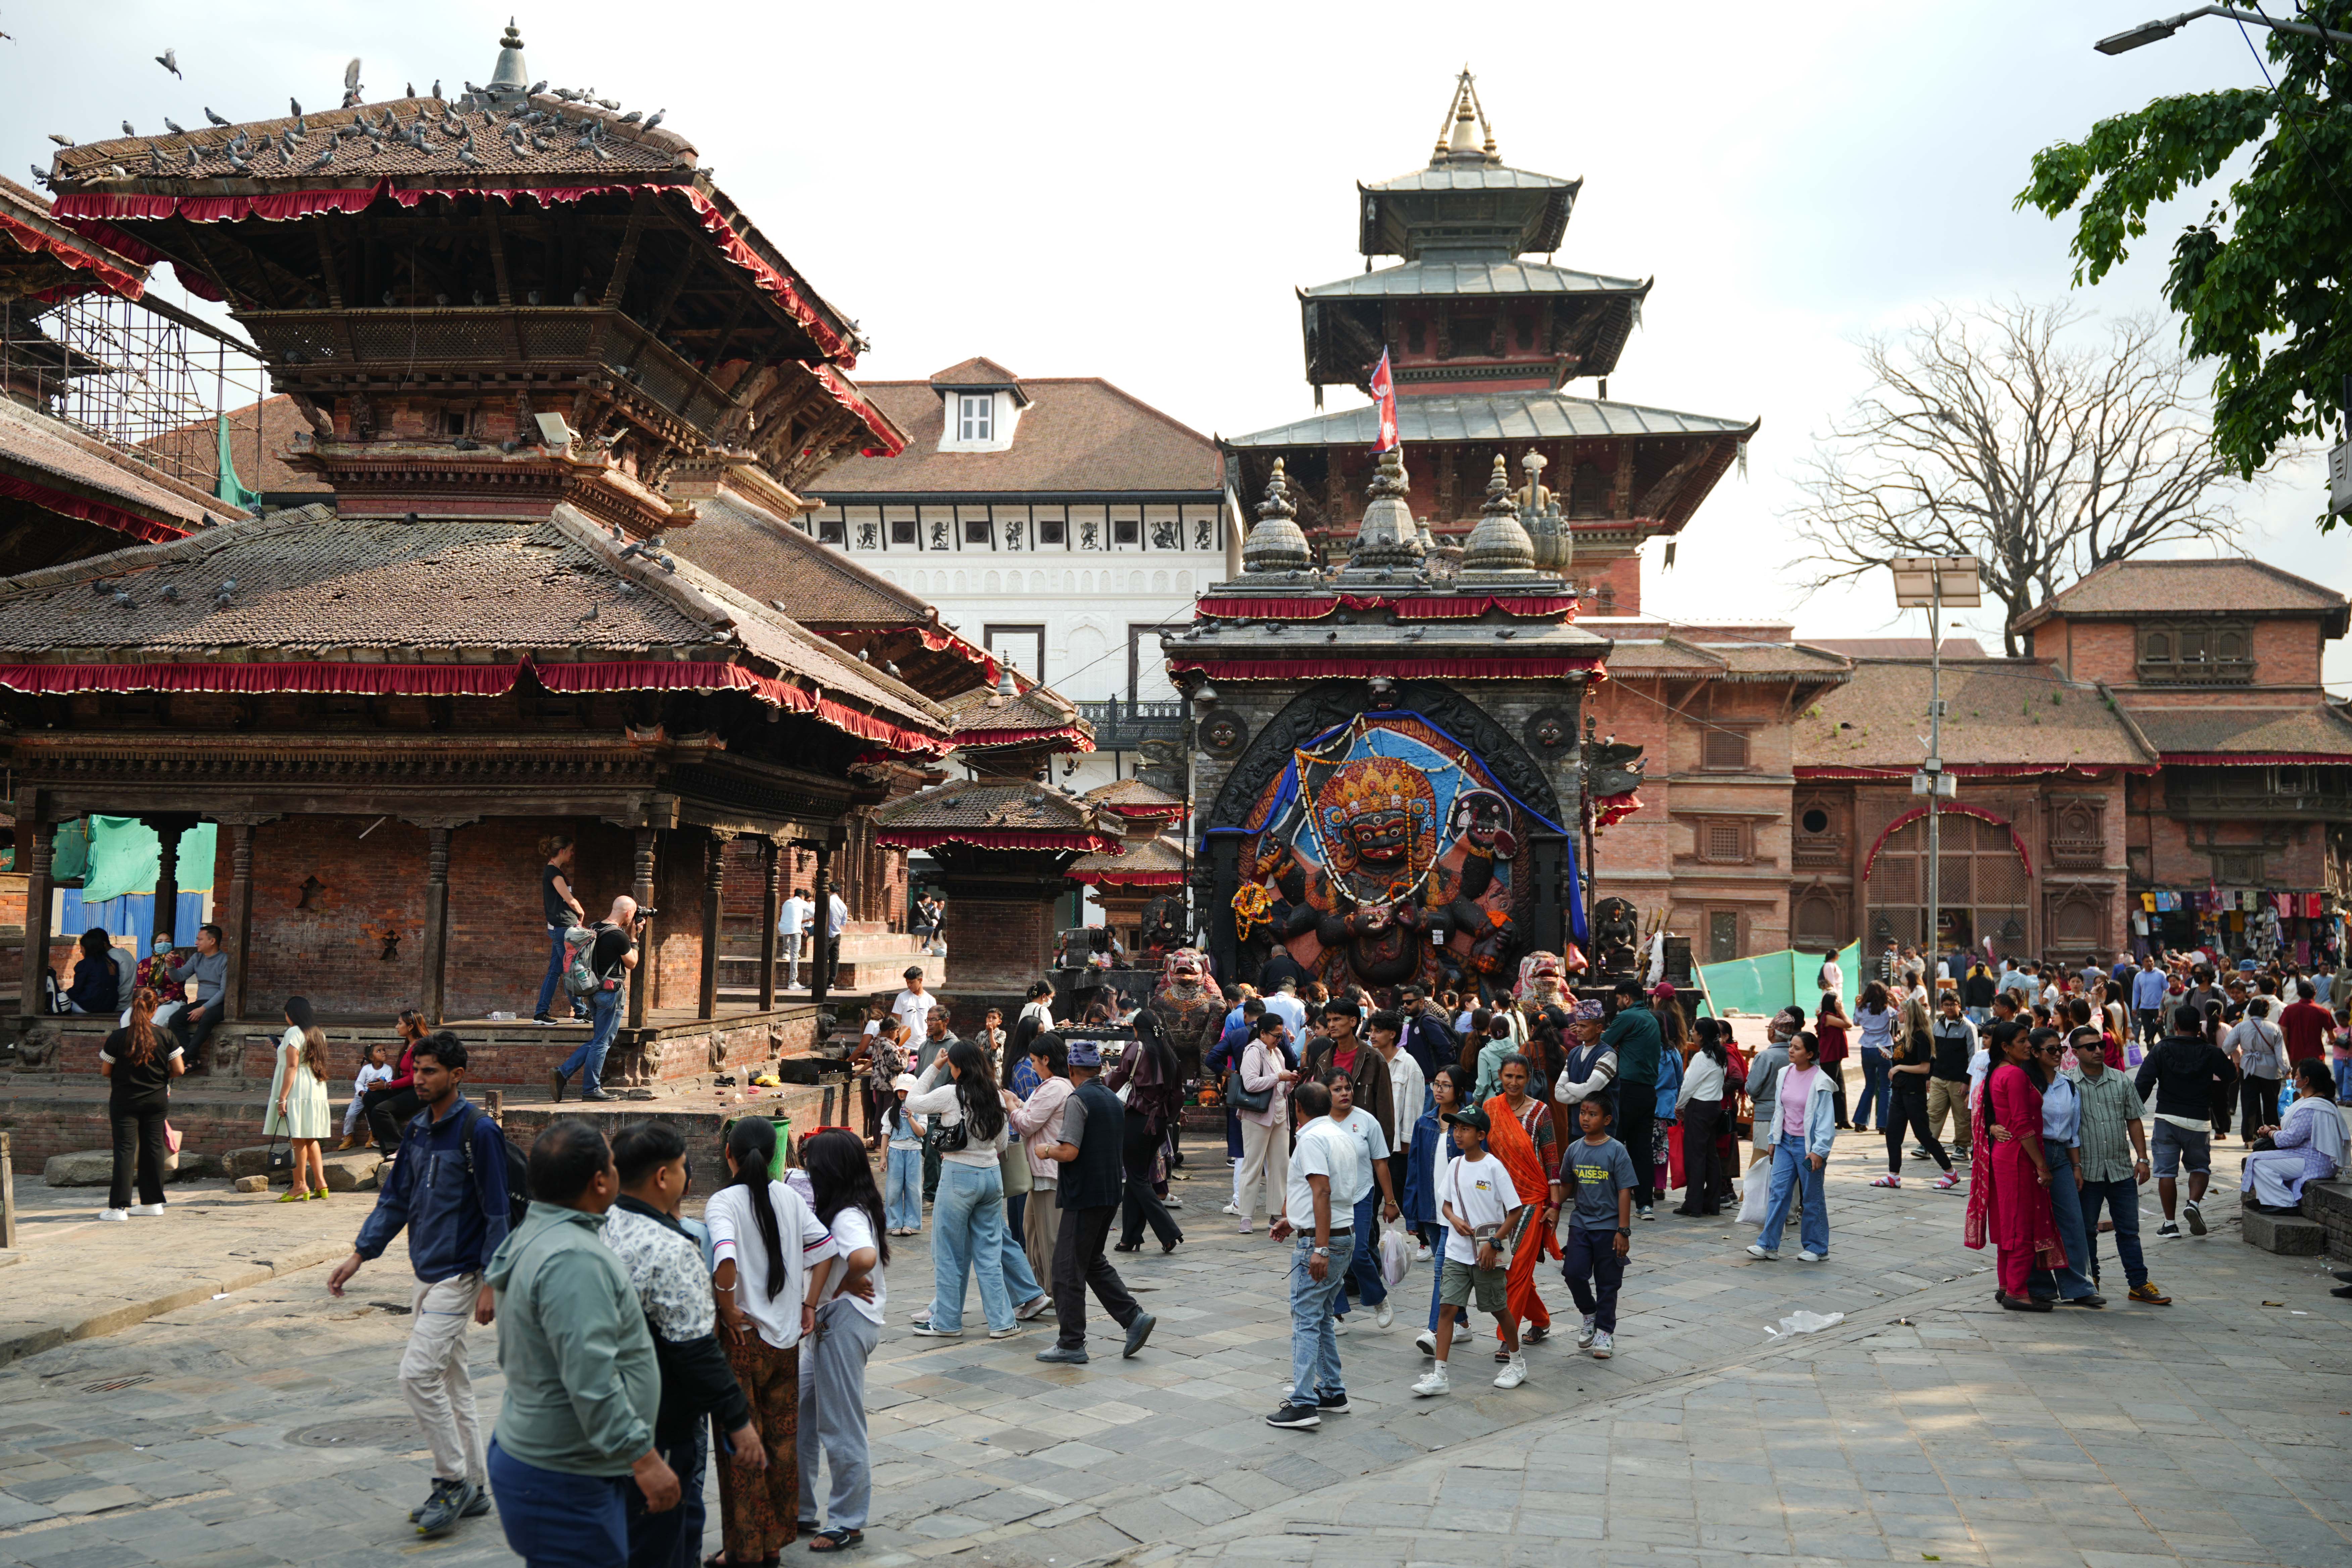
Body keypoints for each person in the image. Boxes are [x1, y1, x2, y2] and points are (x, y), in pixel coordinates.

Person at [330, 1032, 511, 1539]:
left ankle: (450, 1479)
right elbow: (394, 1201)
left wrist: (492, 1282)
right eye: (420, 1070)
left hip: (461, 1275)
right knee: (453, 1384)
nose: (422, 1079)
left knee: (416, 1376)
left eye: (431, 1071)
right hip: (425, 1273)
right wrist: (360, 1254)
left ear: (457, 1076)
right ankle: (473, 1484)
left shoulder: (479, 1132)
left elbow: (498, 1211)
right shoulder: (416, 1132)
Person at [484, 1120, 676, 1566]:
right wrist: (643, 1459)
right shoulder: (572, 1258)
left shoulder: (538, 1232)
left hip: (554, 1466)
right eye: (612, 1163)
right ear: (601, 1181)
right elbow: (591, 1377)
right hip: (562, 1477)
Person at [604, 1120, 762, 1568]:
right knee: (664, 1540)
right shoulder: (671, 1248)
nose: (685, 1177)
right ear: (662, 1178)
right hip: (658, 1421)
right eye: (681, 1168)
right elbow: (693, 1347)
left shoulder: (599, 1225)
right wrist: (737, 1418)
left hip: (603, 1416)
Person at [707, 1116, 838, 1564]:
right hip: (784, 1342)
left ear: (730, 1155)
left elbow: (725, 1257)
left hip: (742, 1343)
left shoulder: (723, 1202)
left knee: (739, 1446)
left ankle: (745, 1548)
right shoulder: (788, 1195)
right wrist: (809, 1304)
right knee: (781, 1445)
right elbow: (825, 1251)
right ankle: (774, 1542)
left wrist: (726, 1307)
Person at [1032, 1035, 1155, 1365]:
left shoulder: (1079, 1100)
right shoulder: (1113, 1100)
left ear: (1072, 1068)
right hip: (1110, 1192)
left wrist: (1045, 1150)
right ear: (1099, 1068)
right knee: (1091, 1261)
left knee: (1066, 1268)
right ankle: (1133, 1318)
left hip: (1084, 1194)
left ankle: (1071, 1341)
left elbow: (1069, 1151)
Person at [797, 1129, 889, 1551]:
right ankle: (799, 1506)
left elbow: (864, 1256)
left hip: (846, 1324)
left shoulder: (848, 1215)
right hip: (835, 1323)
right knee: (801, 1412)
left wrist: (852, 1281)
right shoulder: (848, 1206)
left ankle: (848, 1520)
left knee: (839, 1423)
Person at [906, 1039, 1034, 1337]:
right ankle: (1003, 1322)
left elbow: (912, 1101)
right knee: (990, 1254)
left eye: (950, 1064)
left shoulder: (952, 1094)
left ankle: (947, 1322)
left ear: (958, 1066)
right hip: (992, 1176)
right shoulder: (996, 1095)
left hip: (959, 1176)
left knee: (949, 1252)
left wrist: (934, 1066)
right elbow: (1003, 1144)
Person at [1411, 1105, 1525, 1396]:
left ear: (1481, 1134)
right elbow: (1447, 1204)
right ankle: (1440, 1375)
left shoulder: (1493, 1167)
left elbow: (1515, 1211)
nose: (1458, 1134)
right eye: (1456, 1128)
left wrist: (1494, 1243)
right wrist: (1453, 1220)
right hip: (1456, 1251)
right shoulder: (1455, 1165)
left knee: (1499, 1309)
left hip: (1487, 1253)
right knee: (1447, 1308)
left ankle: (1517, 1362)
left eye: (1465, 1129)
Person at [1266, 1080, 1360, 1430]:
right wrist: (1297, 1220)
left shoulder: (1311, 1139)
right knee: (1320, 1316)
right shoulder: (1340, 1136)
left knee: (1306, 1317)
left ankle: (1304, 1402)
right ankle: (1333, 1391)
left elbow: (1322, 1190)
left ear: (1298, 1109)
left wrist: (1318, 1245)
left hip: (1324, 1242)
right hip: (1342, 1234)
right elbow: (1326, 1195)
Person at [2062, 1029, 2170, 1306]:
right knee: (2087, 1231)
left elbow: (2134, 1120)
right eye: (2089, 1047)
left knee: (2129, 1231)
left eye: (2100, 1045)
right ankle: (2090, 1282)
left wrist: (2143, 1159)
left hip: (2121, 1169)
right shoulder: (2068, 1084)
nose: (2097, 1050)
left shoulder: (2121, 1080)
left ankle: (2138, 1284)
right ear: (2075, 1053)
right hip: (2087, 1170)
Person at [1967, 1024, 2065, 1312]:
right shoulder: (2014, 1075)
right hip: (2019, 1157)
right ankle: (2018, 1292)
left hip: (2005, 1154)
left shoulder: (1998, 1072)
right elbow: (2023, 1126)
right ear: (2006, 1047)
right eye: (2022, 1042)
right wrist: (2042, 1166)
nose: (2028, 1045)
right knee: (2021, 1226)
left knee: (2009, 1223)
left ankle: (2006, 1285)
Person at [1480, 1054, 1557, 1349]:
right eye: (1508, 1077)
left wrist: (1555, 1205)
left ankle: (1505, 1338)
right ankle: (1540, 1319)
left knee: (1517, 1269)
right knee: (1505, 1269)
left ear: (1529, 1079)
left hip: (1532, 1201)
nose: (1513, 1082)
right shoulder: (1490, 1108)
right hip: (1496, 1202)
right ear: (1500, 1076)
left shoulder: (1541, 1112)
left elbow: (1552, 1159)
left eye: (1520, 1077)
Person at [2021, 1030, 2102, 1307]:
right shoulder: (2026, 1083)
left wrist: (2076, 1165)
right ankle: (2039, 1286)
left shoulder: (2068, 1085)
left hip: (2061, 1155)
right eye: (2051, 1049)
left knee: (2073, 1221)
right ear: (2035, 1052)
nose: (2058, 1054)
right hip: (2032, 1152)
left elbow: (2073, 1131)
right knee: (2034, 1222)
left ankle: (2078, 1286)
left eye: (2061, 1049)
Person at [2134, 1017, 2234, 1238]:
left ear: (2175, 1027)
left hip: (2166, 1119)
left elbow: (2143, 1082)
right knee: (2200, 1167)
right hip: (2199, 1120)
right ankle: (2194, 1205)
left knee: (2166, 1172)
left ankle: (2170, 1225)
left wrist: (2132, 1111)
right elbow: (2231, 1075)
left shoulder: (2161, 1049)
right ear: (2199, 1028)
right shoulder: (2211, 1052)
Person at [1558, 1094, 1637, 1359]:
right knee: (1573, 1272)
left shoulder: (1617, 1150)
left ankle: (1605, 1332)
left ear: (1607, 1120)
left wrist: (1623, 1231)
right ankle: (1589, 1313)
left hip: (1609, 1227)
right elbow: (1567, 1184)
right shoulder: (1574, 1149)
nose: (1585, 1118)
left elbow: (1625, 1191)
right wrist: (1553, 1205)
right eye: (1582, 1113)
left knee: (1608, 1283)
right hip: (1581, 1223)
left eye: (1592, 1114)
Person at [1745, 1031, 1835, 1263]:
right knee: (1778, 1192)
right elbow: (1780, 1110)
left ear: (1811, 1054)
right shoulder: (1784, 1073)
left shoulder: (1821, 1081)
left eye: (1797, 1048)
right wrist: (1774, 1140)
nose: (1791, 1051)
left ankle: (1817, 1248)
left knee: (1812, 1197)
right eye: (1791, 1046)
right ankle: (1768, 1245)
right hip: (1785, 1143)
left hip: (1808, 1148)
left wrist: (1819, 1151)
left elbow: (1826, 1120)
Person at [97, 986, 184, 1222]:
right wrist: (159, 1078)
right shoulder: (166, 1036)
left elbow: (106, 1071)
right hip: (156, 1100)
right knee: (153, 1148)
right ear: (155, 1009)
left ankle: (118, 1209)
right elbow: (179, 1069)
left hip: (125, 1100)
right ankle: (152, 1203)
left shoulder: (118, 1037)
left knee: (125, 1150)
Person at [551, 896, 645, 1104]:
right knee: (602, 1043)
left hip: (592, 991)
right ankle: (591, 1089)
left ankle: (563, 1073)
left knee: (599, 1040)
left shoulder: (594, 927)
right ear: (629, 913)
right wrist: (635, 939)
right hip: (611, 993)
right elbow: (632, 963)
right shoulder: (619, 936)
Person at [1325, 1070, 1400, 1330]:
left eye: (1347, 1088)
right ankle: (1336, 1313)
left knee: (1358, 1254)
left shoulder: (1367, 1121)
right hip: (1329, 1200)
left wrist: (1390, 1202)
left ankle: (1378, 1298)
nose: (1344, 1093)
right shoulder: (1319, 1124)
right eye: (1337, 1089)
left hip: (1361, 1195)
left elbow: (1381, 1163)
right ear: (1327, 1094)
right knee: (1333, 1255)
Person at [1108, 1012, 1186, 1254]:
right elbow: (1178, 1094)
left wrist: (1102, 1081)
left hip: (1138, 1119)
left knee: (1138, 1179)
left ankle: (1169, 1232)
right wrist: (1169, 1118)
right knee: (1136, 1177)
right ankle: (1129, 1239)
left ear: (1136, 1029)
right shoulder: (1168, 1052)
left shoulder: (1136, 1048)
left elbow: (1118, 1078)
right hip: (1160, 1122)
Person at [1872, 993, 1959, 1191]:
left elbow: (1924, 1068)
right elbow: (1903, 1060)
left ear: (1908, 1014)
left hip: (1913, 1092)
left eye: (1901, 1012)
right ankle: (1893, 1175)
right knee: (1893, 1133)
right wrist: (1891, 1058)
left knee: (1923, 1135)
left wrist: (1899, 1068)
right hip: (1900, 1092)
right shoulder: (1906, 1036)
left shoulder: (1921, 1036)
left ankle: (1951, 1172)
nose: (1898, 1015)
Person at [2242, 1058, 2348, 1212]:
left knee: (2258, 1162)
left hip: (2316, 1162)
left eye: (2297, 1075)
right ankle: (2268, 1200)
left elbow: (2289, 1139)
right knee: (2259, 1159)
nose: (2294, 1079)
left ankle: (2285, 1203)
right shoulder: (2312, 1102)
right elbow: (2295, 1130)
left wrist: (2270, 1133)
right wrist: (2274, 1129)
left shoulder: (2312, 1108)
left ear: (2306, 1080)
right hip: (2309, 1157)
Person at [1006, 1033, 1073, 1276]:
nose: (1032, 1066)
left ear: (1046, 1059)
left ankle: (1055, 1290)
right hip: (1039, 1169)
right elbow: (1034, 1113)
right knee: (1033, 1232)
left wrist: (1012, 1107)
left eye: (1035, 1061)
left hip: (1048, 1168)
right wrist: (1018, 1103)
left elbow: (1027, 1125)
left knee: (1049, 1236)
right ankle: (1040, 1288)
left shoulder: (1055, 1086)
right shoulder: (1053, 1086)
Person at [1598, 979, 1663, 1220]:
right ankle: (1645, 1205)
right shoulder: (1652, 1020)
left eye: (1618, 1000)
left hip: (1626, 1089)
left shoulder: (1627, 1017)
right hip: (1648, 1092)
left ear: (1627, 998)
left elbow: (1601, 1044)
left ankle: (1608, 1200)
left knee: (1614, 1145)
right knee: (1641, 1150)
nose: (1618, 1005)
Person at [264, 997, 334, 1203]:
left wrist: (282, 1097)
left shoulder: (294, 1032)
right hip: (315, 1085)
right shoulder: (318, 1032)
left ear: (291, 1014)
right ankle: (321, 1184)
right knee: (310, 1137)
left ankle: (300, 1186)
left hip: (298, 1087)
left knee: (296, 1136)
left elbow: (292, 1066)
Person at [1234, 1013, 1298, 1233]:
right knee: (1253, 1165)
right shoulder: (1253, 1051)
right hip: (1257, 1116)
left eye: (1281, 1036)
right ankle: (1246, 1216)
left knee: (1282, 1166)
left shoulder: (1277, 1052)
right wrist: (1279, 1078)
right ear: (1263, 1033)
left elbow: (1280, 1088)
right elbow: (1250, 1083)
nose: (1279, 1040)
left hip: (1280, 1114)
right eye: (1276, 1036)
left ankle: (1276, 1214)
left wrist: (1289, 1082)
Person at [1673, 1020, 1729, 1216]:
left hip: (1699, 1107)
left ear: (1702, 1036)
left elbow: (1688, 1086)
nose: (1692, 1035)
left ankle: (1693, 1204)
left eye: (1694, 1032)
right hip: (1714, 1106)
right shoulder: (1720, 1056)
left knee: (1695, 1158)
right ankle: (1711, 1203)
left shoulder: (1702, 1057)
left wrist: (1680, 1106)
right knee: (1710, 1156)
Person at [532, 834, 587, 1025]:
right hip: (564, 928)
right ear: (562, 851)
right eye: (571, 850)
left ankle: (541, 1014)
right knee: (571, 970)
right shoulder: (554, 873)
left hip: (559, 928)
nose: (573, 854)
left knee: (556, 971)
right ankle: (581, 1012)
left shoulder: (553, 871)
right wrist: (581, 913)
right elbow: (570, 900)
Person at [362, 1011, 430, 1155]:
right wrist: (383, 1084)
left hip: (420, 1092)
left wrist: (388, 1086)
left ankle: (400, 1146)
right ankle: (379, 1136)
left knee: (381, 1109)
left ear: (411, 1027)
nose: (396, 1027)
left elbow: (414, 1078)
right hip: (407, 1089)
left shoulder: (421, 1047)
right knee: (370, 1097)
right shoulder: (409, 1044)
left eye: (400, 1023)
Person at [166, 923, 229, 1069]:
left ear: (212, 941)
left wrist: (203, 1009)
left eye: (200, 939)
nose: (196, 942)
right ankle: (193, 1059)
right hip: (201, 1002)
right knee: (176, 1019)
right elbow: (179, 977)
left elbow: (224, 991)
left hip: (220, 1004)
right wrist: (170, 965)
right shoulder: (197, 958)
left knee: (207, 1019)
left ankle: (187, 1057)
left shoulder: (225, 960)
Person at [2225, 997, 2288, 1140]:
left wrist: (2238, 1056)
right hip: (2271, 1071)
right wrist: (2287, 1070)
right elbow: (2281, 1054)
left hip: (2248, 1068)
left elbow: (2227, 1047)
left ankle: (2249, 1137)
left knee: (2249, 1104)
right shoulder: (2274, 1028)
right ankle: (2271, 1135)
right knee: (2271, 1104)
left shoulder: (2242, 1027)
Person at [1924, 989, 1976, 1157]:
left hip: (1959, 1080)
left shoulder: (1968, 1027)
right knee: (1933, 1112)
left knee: (1961, 1115)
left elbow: (1973, 1057)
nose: (1949, 1008)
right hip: (1939, 1077)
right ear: (1942, 1007)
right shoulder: (1937, 1025)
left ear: (1959, 1006)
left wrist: (1967, 1082)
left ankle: (1962, 1147)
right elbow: (1932, 1053)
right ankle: (1927, 1144)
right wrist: (1929, 1077)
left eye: (1953, 1005)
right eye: (1946, 1005)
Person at [880, 1073, 925, 1234]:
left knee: (914, 1189)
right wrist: (883, 1157)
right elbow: (885, 1134)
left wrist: (912, 1118)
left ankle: (911, 1223)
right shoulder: (891, 1112)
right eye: (900, 1091)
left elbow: (921, 1133)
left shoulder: (921, 1112)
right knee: (894, 1189)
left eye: (907, 1091)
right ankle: (895, 1222)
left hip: (914, 1153)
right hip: (895, 1152)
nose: (903, 1094)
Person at [1853, 982, 1897, 1134]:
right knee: (1886, 1087)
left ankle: (1860, 1122)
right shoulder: (1887, 1009)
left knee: (1869, 1086)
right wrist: (1896, 1001)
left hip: (1867, 1048)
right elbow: (1901, 1016)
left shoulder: (1861, 1009)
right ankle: (1883, 1125)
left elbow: (1855, 1022)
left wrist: (1857, 1005)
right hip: (1884, 1048)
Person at [340, 1039, 394, 1150]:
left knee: (370, 1115)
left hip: (376, 1097)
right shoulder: (366, 1069)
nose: (384, 1052)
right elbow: (359, 1083)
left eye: (384, 1050)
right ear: (372, 1057)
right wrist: (362, 1093)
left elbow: (387, 1084)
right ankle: (348, 1137)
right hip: (361, 1097)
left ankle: (372, 1136)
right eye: (379, 1051)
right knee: (350, 1115)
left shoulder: (388, 1069)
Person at [1814, 992, 1851, 1129]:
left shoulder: (1830, 1016)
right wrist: (1842, 1011)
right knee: (1831, 1089)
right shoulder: (1828, 1017)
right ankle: (1828, 1120)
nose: (1839, 1004)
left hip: (1835, 1056)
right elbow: (1848, 1024)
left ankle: (1842, 1119)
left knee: (1840, 1088)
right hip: (1829, 1056)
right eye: (1837, 1002)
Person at [2279, 979, 2332, 1069]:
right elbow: (2332, 1036)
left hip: (2295, 1055)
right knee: (2316, 1082)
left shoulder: (2289, 1010)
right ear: (2315, 994)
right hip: (2316, 1056)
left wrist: (2285, 1052)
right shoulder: (2323, 1012)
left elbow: (2284, 1032)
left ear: (2298, 994)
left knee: (2295, 1082)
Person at [65, 928, 119, 1015]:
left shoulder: (85, 964)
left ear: (88, 948)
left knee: (64, 1006)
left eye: (82, 948)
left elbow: (77, 990)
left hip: (90, 1006)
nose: (81, 951)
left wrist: (66, 995)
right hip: (110, 1007)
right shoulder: (113, 963)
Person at [777, 886, 813, 992]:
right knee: (795, 956)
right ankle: (793, 982)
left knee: (789, 934)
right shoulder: (803, 903)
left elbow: (792, 917)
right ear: (802, 897)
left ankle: (785, 952)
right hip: (795, 930)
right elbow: (817, 914)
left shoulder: (787, 902)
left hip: (783, 928)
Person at [2130, 951, 2169, 1045]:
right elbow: (2136, 992)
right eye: (2147, 961)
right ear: (2143, 963)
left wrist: (2167, 1005)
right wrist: (2134, 1007)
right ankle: (2151, 1052)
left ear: (2154, 962)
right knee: (2148, 1032)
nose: (2150, 963)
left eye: (2151, 961)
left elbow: (2167, 990)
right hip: (2145, 1008)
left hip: (2159, 1008)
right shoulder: (2139, 976)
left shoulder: (2161, 974)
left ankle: (2166, 1047)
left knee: (2161, 1030)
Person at [890, 965, 937, 1039]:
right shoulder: (902, 997)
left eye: (911, 983)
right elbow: (896, 1024)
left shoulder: (931, 1000)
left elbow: (932, 1025)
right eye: (907, 983)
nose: (909, 985)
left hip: (923, 1045)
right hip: (904, 1045)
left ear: (921, 980)